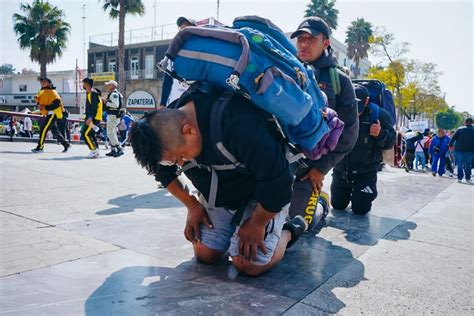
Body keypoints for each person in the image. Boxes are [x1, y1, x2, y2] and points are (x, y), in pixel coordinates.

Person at [130, 87, 317, 276]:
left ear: (189, 130)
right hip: (222, 193)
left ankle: (290, 229)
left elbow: (280, 184)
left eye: (180, 157)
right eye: (173, 160)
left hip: (263, 193)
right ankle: (235, 229)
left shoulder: (237, 123)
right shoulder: (163, 130)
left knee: (249, 263)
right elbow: (163, 173)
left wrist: (257, 223)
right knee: (205, 255)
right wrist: (192, 205)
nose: (179, 163)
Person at [291, 16, 358, 194]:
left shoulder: (340, 81)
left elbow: (349, 132)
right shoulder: (284, 72)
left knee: (300, 220)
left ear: (326, 43)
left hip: (308, 169)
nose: (304, 44)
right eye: (301, 39)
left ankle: (321, 204)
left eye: (311, 39)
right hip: (277, 164)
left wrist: (321, 168)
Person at [330, 84, 395, 215]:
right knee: (337, 205)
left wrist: (380, 134)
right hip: (341, 169)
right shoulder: (339, 110)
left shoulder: (379, 115)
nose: (355, 112)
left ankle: (362, 197)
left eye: (358, 107)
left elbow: (390, 143)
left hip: (366, 171)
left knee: (360, 209)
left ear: (366, 101)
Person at [159, 16, 197, 108]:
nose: (183, 30)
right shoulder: (172, 52)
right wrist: (163, 103)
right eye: (181, 28)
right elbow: (167, 81)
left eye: (186, 27)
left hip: (193, 103)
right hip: (174, 103)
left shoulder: (199, 51)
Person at [31, 78, 71, 153]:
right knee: (54, 131)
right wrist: (38, 102)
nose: (42, 83)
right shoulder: (42, 91)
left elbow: (57, 104)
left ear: (50, 83)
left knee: (44, 128)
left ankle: (40, 147)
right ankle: (66, 144)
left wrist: (45, 107)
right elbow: (41, 102)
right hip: (49, 113)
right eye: (41, 82)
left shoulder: (52, 92)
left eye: (44, 82)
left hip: (54, 113)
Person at [81, 77, 103, 159]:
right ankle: (96, 150)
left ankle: (94, 151)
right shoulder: (91, 93)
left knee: (84, 133)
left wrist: (90, 118)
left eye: (83, 83)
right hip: (93, 117)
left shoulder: (93, 94)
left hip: (94, 118)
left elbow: (94, 107)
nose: (83, 85)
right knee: (90, 134)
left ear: (87, 84)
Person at [102, 80, 124, 157]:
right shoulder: (116, 94)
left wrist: (106, 102)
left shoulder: (114, 94)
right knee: (112, 132)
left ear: (113, 86)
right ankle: (113, 149)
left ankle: (119, 148)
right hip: (114, 115)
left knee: (110, 133)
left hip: (113, 116)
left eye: (109, 85)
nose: (107, 86)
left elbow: (115, 105)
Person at [449, 118, 474, 184]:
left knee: (459, 164)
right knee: (468, 165)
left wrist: (450, 145)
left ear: (465, 122)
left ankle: (460, 178)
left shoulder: (460, 129)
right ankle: (467, 178)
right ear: (472, 123)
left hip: (459, 150)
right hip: (470, 150)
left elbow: (453, 138)